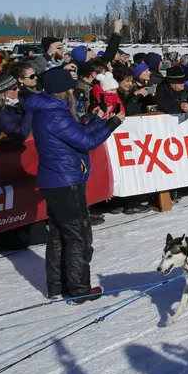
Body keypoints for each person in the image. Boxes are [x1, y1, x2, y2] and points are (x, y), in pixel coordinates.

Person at [27, 68, 124, 303]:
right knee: (78, 236)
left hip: (58, 180)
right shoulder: (55, 115)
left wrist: (97, 119)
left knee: (59, 234)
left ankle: (57, 285)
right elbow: (86, 142)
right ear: (63, 91)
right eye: (70, 89)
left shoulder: (51, 110)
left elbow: (78, 132)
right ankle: (79, 289)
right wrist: (112, 124)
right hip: (65, 181)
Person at [0, 72, 33, 140]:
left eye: (17, 86)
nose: (18, 90)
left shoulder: (18, 101)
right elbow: (21, 134)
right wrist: (30, 111)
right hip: (12, 145)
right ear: (2, 93)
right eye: (14, 88)